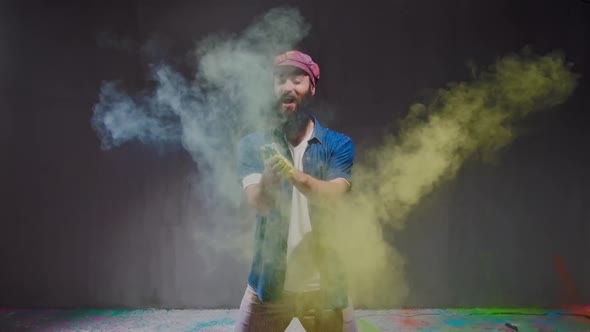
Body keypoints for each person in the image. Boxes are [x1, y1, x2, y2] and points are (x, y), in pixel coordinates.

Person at [235, 50, 358, 332]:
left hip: (325, 287)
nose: (288, 87)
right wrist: (269, 177)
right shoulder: (253, 144)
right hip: (268, 286)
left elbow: (333, 197)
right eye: (280, 79)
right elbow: (258, 204)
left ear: (312, 87)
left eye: (297, 79)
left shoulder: (338, 144)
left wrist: (293, 175)